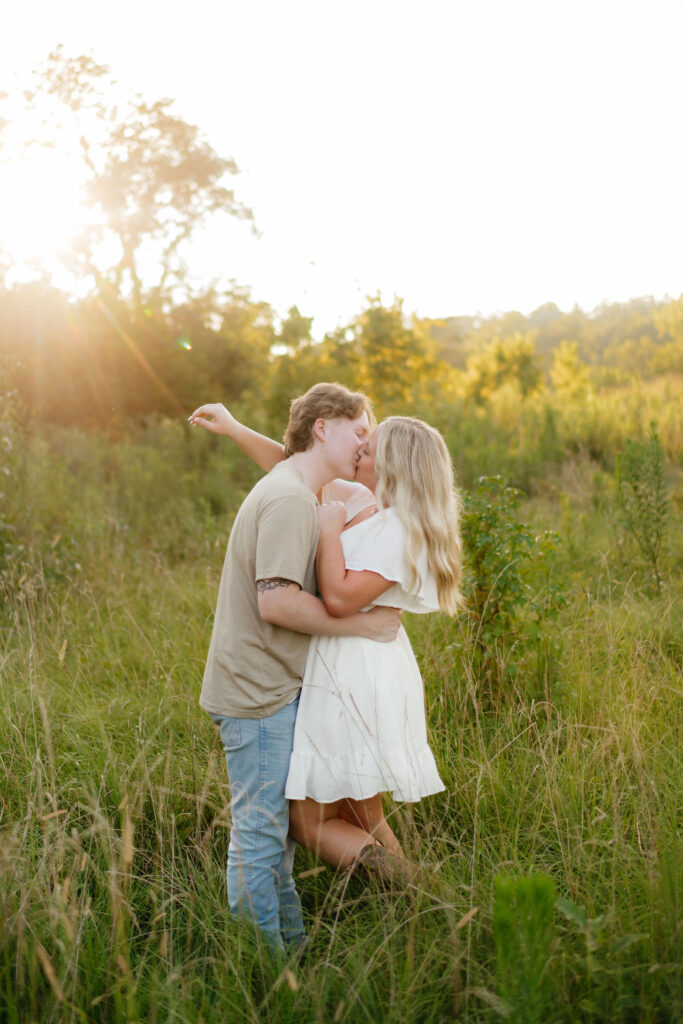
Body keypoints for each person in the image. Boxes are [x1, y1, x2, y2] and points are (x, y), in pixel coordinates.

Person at [190, 400, 462, 883]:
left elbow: (338, 597)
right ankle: (425, 897)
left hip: (352, 671)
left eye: (370, 446)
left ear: (392, 464)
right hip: (352, 661)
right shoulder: (369, 505)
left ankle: (418, 891)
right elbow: (293, 469)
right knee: (363, 812)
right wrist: (235, 429)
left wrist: (329, 531)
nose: (360, 448)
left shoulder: (397, 528)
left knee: (308, 822)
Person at [194, 384, 403, 956]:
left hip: (274, 685)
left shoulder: (300, 489)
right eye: (358, 430)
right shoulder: (292, 499)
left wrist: (237, 430)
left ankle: (291, 958)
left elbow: (287, 462)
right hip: (258, 691)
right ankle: (262, 972)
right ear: (323, 429)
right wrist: (359, 626)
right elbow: (278, 603)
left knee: (278, 841)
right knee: (261, 840)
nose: (364, 443)